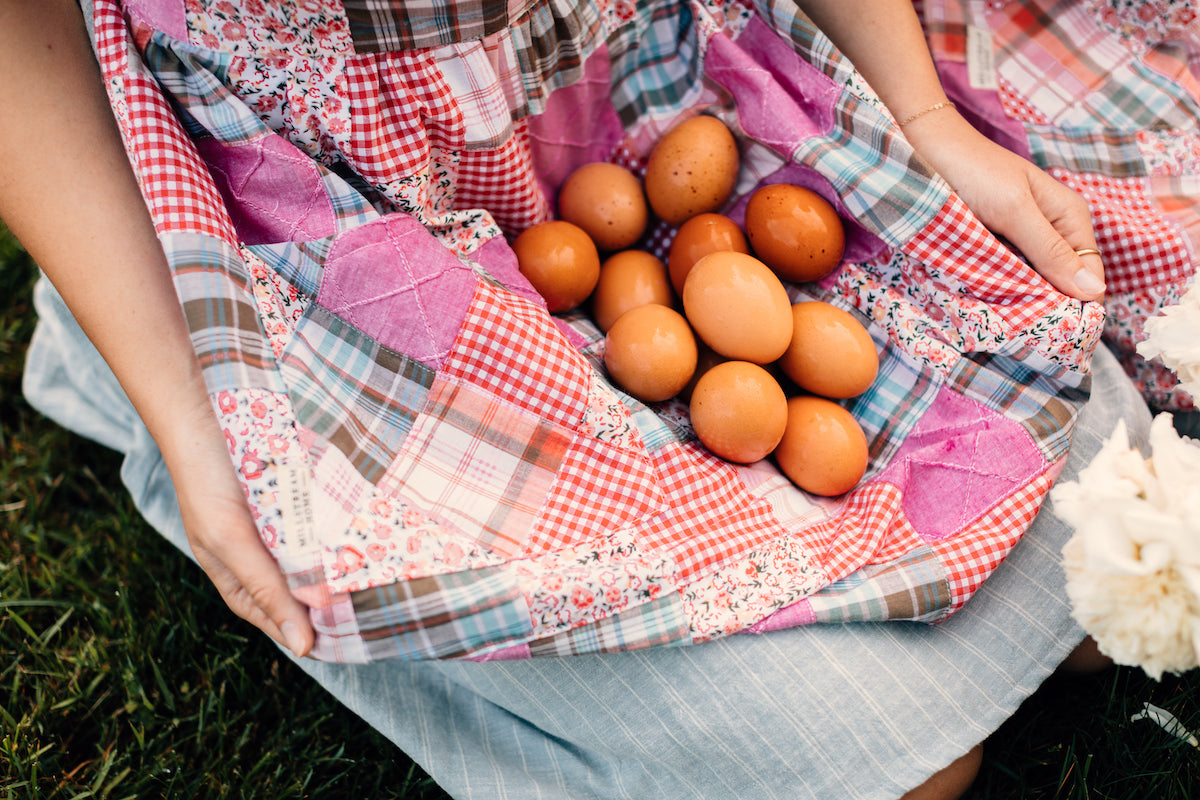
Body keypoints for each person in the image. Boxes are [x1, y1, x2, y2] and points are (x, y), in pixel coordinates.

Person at [3, 0, 1152, 797]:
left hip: (623, 93)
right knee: (895, 766)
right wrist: (197, 419)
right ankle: (125, 395)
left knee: (1098, 559)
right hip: (308, 242)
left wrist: (922, 117)